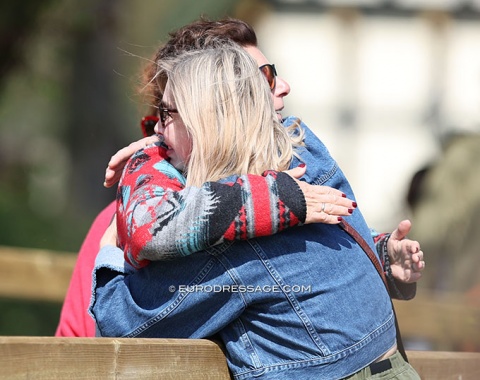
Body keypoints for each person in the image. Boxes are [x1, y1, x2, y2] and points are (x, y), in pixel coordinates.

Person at [56, 17, 424, 338]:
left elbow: (312, 266)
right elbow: (93, 335)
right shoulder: (123, 225)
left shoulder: (293, 176)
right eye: (260, 79)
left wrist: (379, 257)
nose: (283, 87)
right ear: (212, 110)